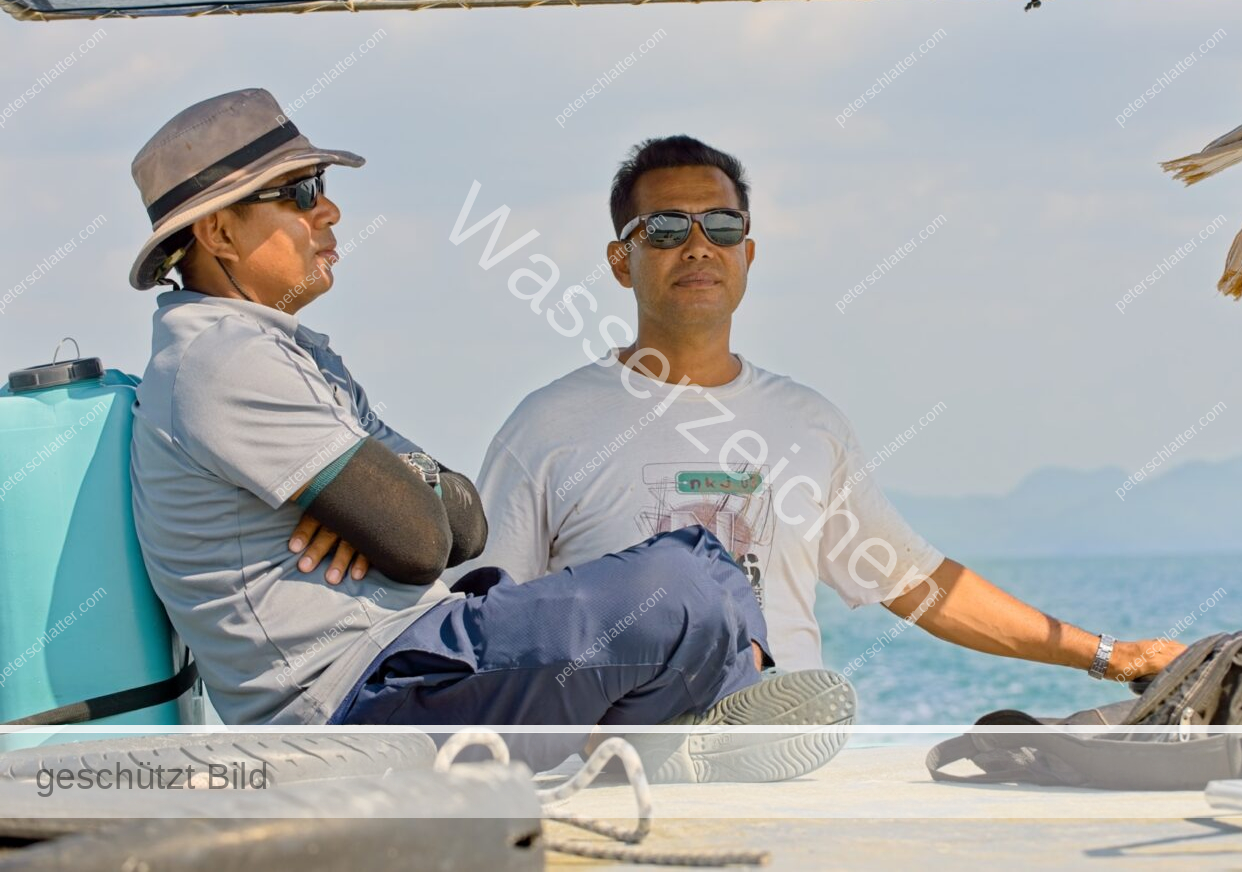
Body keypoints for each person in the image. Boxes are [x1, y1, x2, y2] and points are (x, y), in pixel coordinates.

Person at [127, 90, 854, 780]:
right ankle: (707, 715)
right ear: (219, 232)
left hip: (417, 657)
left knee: (703, 557)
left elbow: (464, 523)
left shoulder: (291, 352)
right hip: (366, 697)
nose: (330, 210)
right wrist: (388, 504)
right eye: (301, 192)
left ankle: (690, 726)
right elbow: (419, 543)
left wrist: (383, 495)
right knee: (680, 585)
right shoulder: (223, 360)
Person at [470, 135, 1185, 686]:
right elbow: (482, 621)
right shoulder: (548, 427)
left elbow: (918, 584)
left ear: (748, 253)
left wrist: (1110, 655)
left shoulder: (807, 425)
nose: (697, 247)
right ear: (620, 260)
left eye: (721, 226)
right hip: (610, 778)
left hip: (781, 768)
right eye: (664, 228)